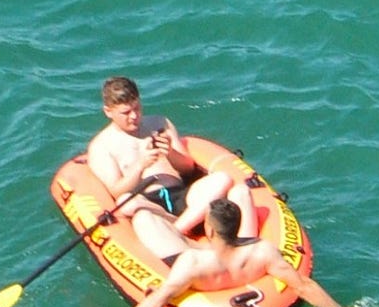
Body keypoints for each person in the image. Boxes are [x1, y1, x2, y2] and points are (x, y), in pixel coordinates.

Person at [89, 198, 372, 307]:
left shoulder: (193, 263)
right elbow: (304, 286)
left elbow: (155, 303)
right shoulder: (262, 252)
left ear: (210, 231)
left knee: (143, 219)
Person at [86, 76, 255, 261]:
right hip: (149, 204)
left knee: (223, 179)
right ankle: (182, 238)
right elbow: (116, 191)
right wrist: (141, 165)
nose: (134, 116)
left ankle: (179, 230)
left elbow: (188, 169)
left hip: (182, 196)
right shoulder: (102, 146)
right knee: (126, 202)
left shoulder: (160, 123)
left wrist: (170, 153)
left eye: (137, 108)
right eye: (126, 112)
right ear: (108, 111)